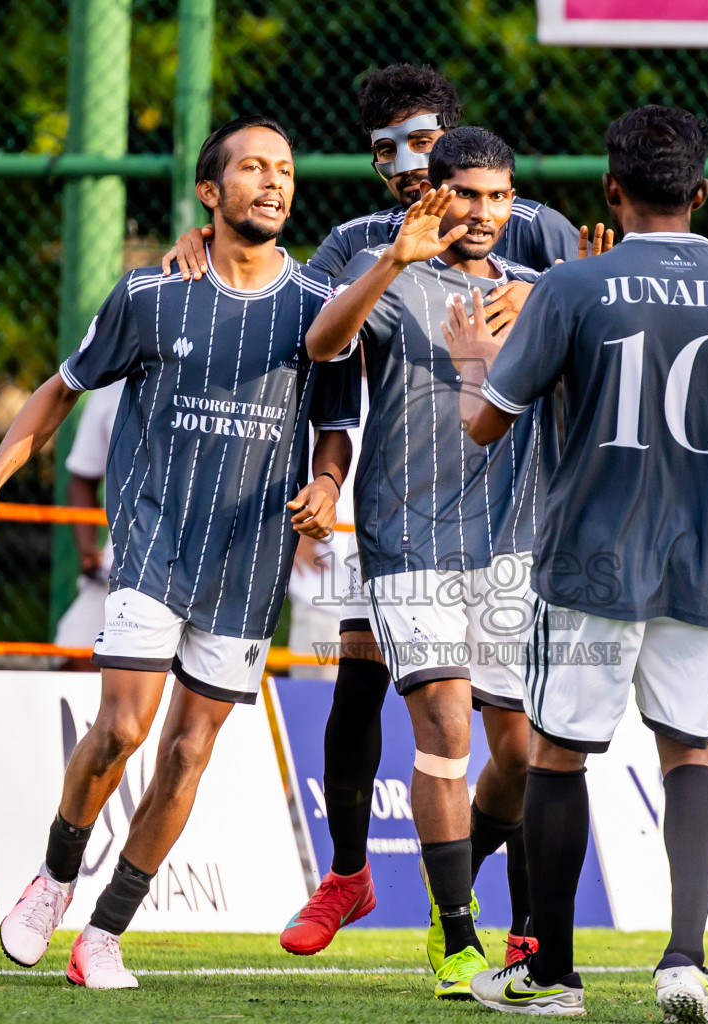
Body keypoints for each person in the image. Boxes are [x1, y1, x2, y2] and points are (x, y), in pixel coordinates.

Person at [168, 66, 580, 969]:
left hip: (512, 521)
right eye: (385, 150)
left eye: (421, 142)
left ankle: (487, 900)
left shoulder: (532, 229)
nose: (405, 164)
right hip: (398, 504)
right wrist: (203, 243)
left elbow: (589, 310)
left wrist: (561, 289)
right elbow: (305, 334)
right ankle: (351, 876)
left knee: (518, 742)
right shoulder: (360, 242)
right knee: (361, 678)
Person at [445, 105, 708, 1020]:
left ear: (611, 189)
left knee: (558, 754)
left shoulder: (572, 286)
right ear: (702, 193)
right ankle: (684, 962)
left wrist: (473, 360)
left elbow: (486, 424)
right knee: (691, 748)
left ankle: (552, 976)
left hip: (591, 559)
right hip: (703, 561)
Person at [0, 115, 357, 989]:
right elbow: (61, 390)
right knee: (124, 728)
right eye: (253, 167)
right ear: (209, 192)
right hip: (153, 542)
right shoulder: (150, 293)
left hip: (250, 563)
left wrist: (327, 484)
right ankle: (54, 878)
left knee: (187, 754)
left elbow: (334, 429)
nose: (274, 182)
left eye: (285, 169)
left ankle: (104, 934)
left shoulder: (320, 305)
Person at [301, 126, 555, 999]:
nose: (485, 212)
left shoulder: (536, 292)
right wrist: (390, 262)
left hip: (512, 546)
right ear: (435, 194)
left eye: (499, 196)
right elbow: (322, 344)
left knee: (520, 754)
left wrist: (563, 303)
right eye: (468, 195)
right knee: (445, 731)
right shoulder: (391, 273)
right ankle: (456, 937)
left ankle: (461, 870)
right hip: (407, 537)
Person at [53, 378, 126, 670]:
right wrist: (87, 550)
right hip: (119, 565)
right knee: (73, 650)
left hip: (196, 572)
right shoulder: (112, 387)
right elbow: (82, 477)